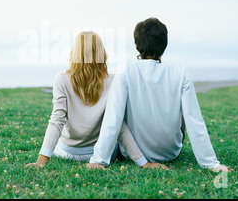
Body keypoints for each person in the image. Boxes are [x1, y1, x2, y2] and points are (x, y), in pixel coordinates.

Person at [87, 18, 229, 172]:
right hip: (170, 152)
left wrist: (98, 160)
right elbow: (194, 120)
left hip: (132, 155)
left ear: (136, 46)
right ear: (164, 46)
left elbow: (112, 119)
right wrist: (211, 164)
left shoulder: (125, 72)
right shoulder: (180, 71)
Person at [26, 31, 167, 170]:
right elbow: (119, 126)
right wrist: (144, 163)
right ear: (102, 53)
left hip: (68, 153)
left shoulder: (61, 78)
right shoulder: (114, 81)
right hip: (102, 154)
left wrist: (41, 161)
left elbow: (57, 121)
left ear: (74, 53)